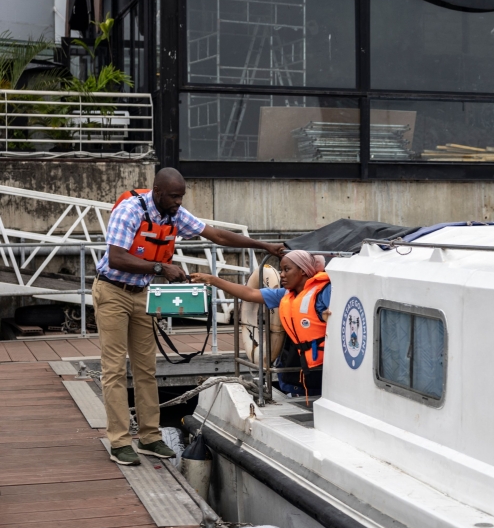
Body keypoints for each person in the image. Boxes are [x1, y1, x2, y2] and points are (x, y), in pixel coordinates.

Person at [94, 167, 285, 466]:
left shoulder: (174, 213)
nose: (179, 202)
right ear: (157, 192)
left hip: (141, 293)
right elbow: (117, 256)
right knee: (115, 369)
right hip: (112, 291)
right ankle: (119, 442)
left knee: (146, 368)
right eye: (174, 196)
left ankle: (149, 437)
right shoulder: (130, 210)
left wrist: (263, 246)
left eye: (181, 196)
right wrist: (160, 268)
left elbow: (217, 235)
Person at [192, 250, 329, 399]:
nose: (282, 274)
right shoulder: (285, 294)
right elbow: (250, 293)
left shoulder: (325, 293)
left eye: (286, 270)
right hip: (306, 366)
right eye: (281, 270)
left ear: (303, 270)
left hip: (326, 366)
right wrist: (213, 280)